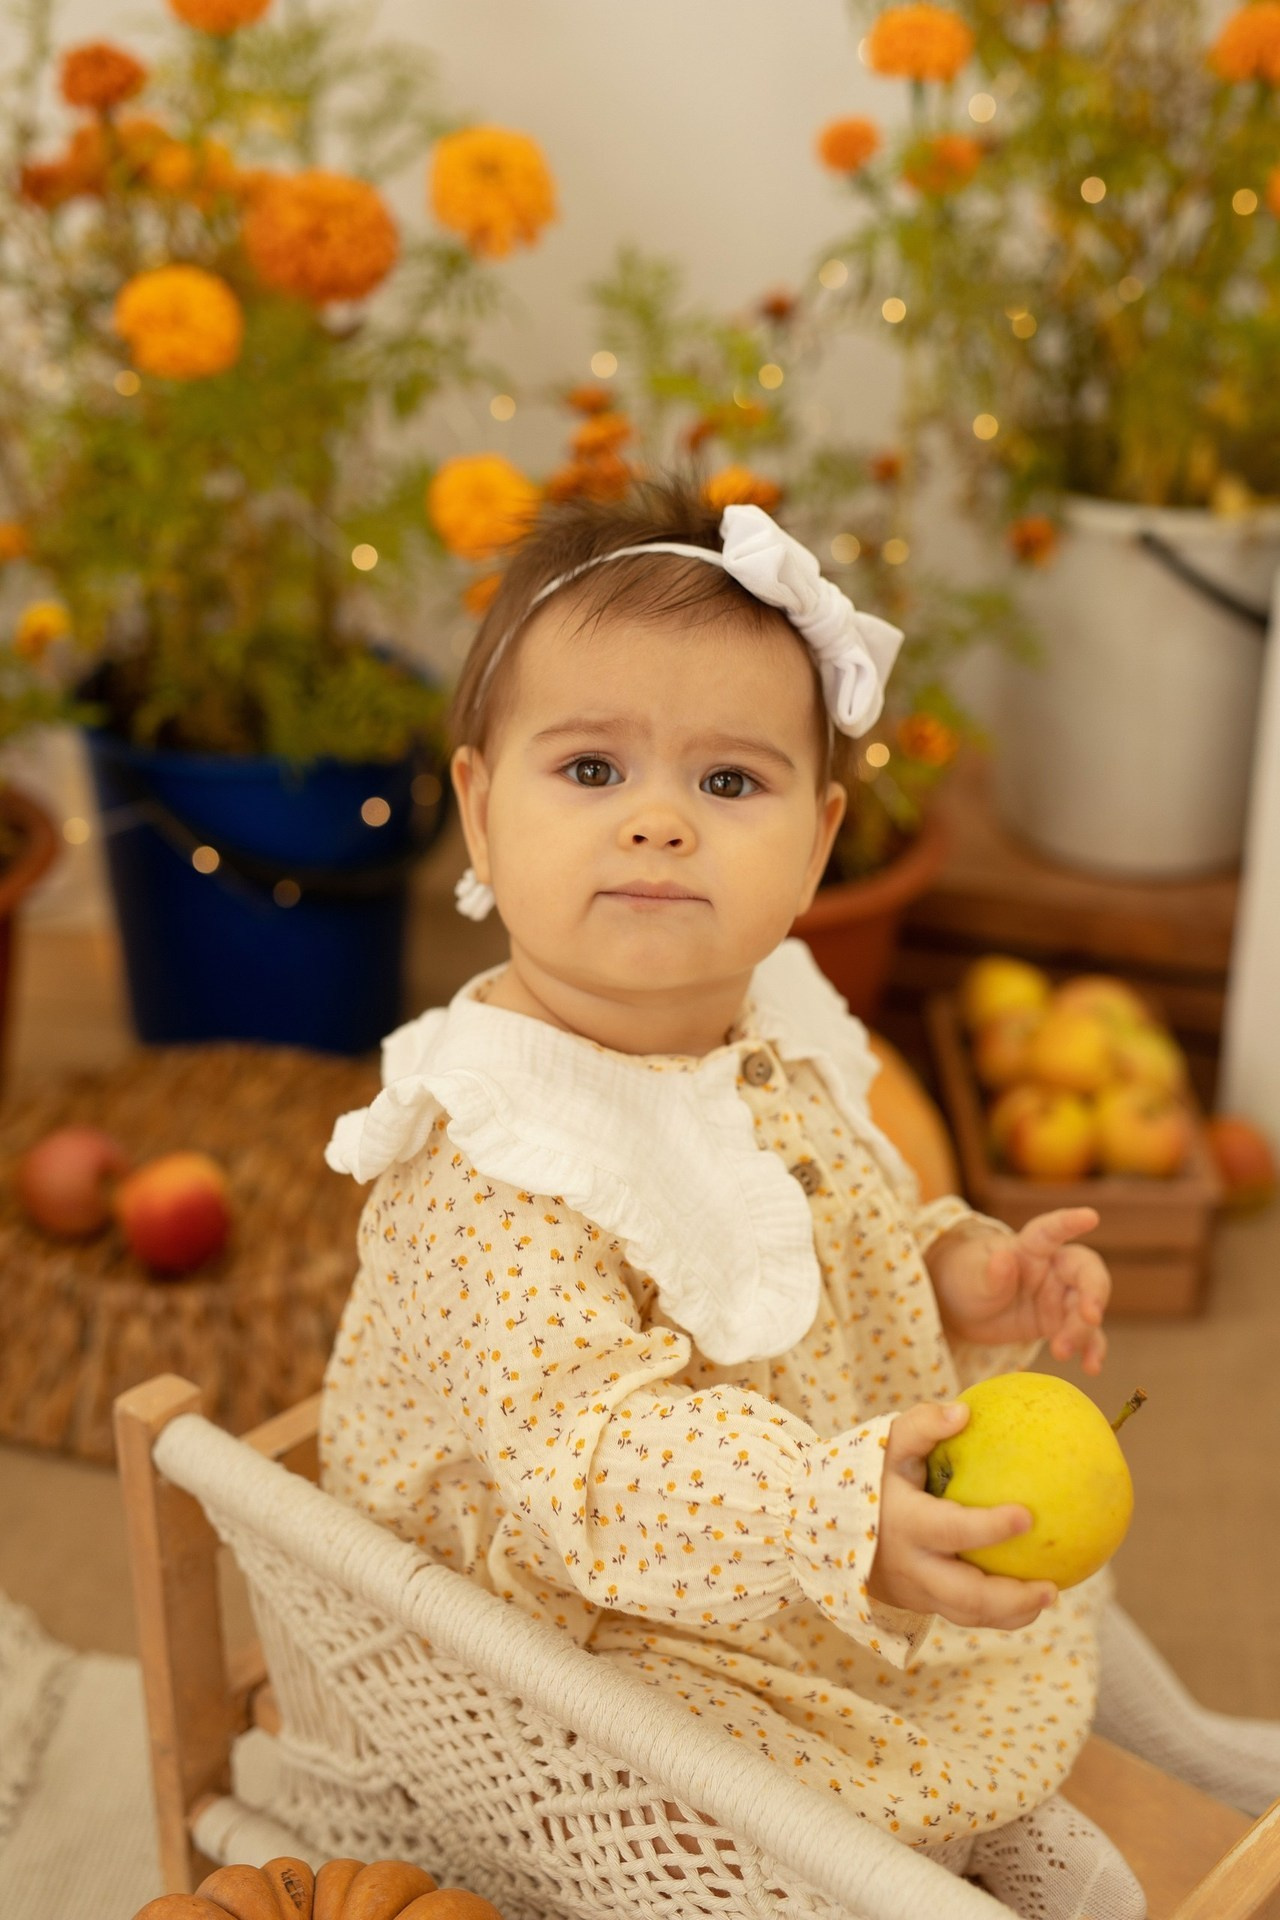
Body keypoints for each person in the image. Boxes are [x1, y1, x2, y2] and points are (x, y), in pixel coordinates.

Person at [321, 477, 1276, 1919]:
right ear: (478, 806)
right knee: (860, 1853)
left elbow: (844, 1228)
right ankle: (979, 1850)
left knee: (1028, 1625)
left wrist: (964, 1273)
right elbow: (598, 1464)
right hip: (607, 1609)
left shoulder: (772, 1014)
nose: (659, 823)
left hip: (805, 1500)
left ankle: (1184, 1762)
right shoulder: (495, 1152)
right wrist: (836, 1512)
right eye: (591, 771)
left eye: (727, 782)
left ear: (819, 843)